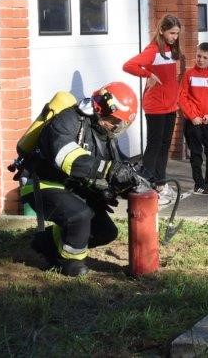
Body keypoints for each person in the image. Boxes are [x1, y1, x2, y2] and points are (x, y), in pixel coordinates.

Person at [21, 82, 141, 276]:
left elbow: (115, 164)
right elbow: (66, 157)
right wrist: (108, 170)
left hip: (71, 186)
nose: (117, 127)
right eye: (115, 121)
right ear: (102, 109)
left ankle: (47, 243)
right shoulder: (67, 120)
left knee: (105, 231)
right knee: (80, 215)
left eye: (121, 124)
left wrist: (131, 180)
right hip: (42, 183)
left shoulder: (103, 132)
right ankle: (69, 262)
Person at [122, 14, 182, 205]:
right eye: (172, 33)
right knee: (154, 146)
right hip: (155, 106)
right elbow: (129, 65)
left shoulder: (171, 50)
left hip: (170, 106)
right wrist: (147, 74)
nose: (174, 37)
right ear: (162, 31)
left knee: (164, 146)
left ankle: (160, 184)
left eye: (177, 34)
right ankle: (147, 186)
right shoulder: (153, 50)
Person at [179, 42, 208, 195]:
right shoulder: (189, 74)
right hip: (193, 122)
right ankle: (198, 184)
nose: (200, 60)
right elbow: (182, 97)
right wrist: (192, 116)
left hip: (207, 121)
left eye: (205, 57)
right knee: (196, 153)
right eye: (199, 56)